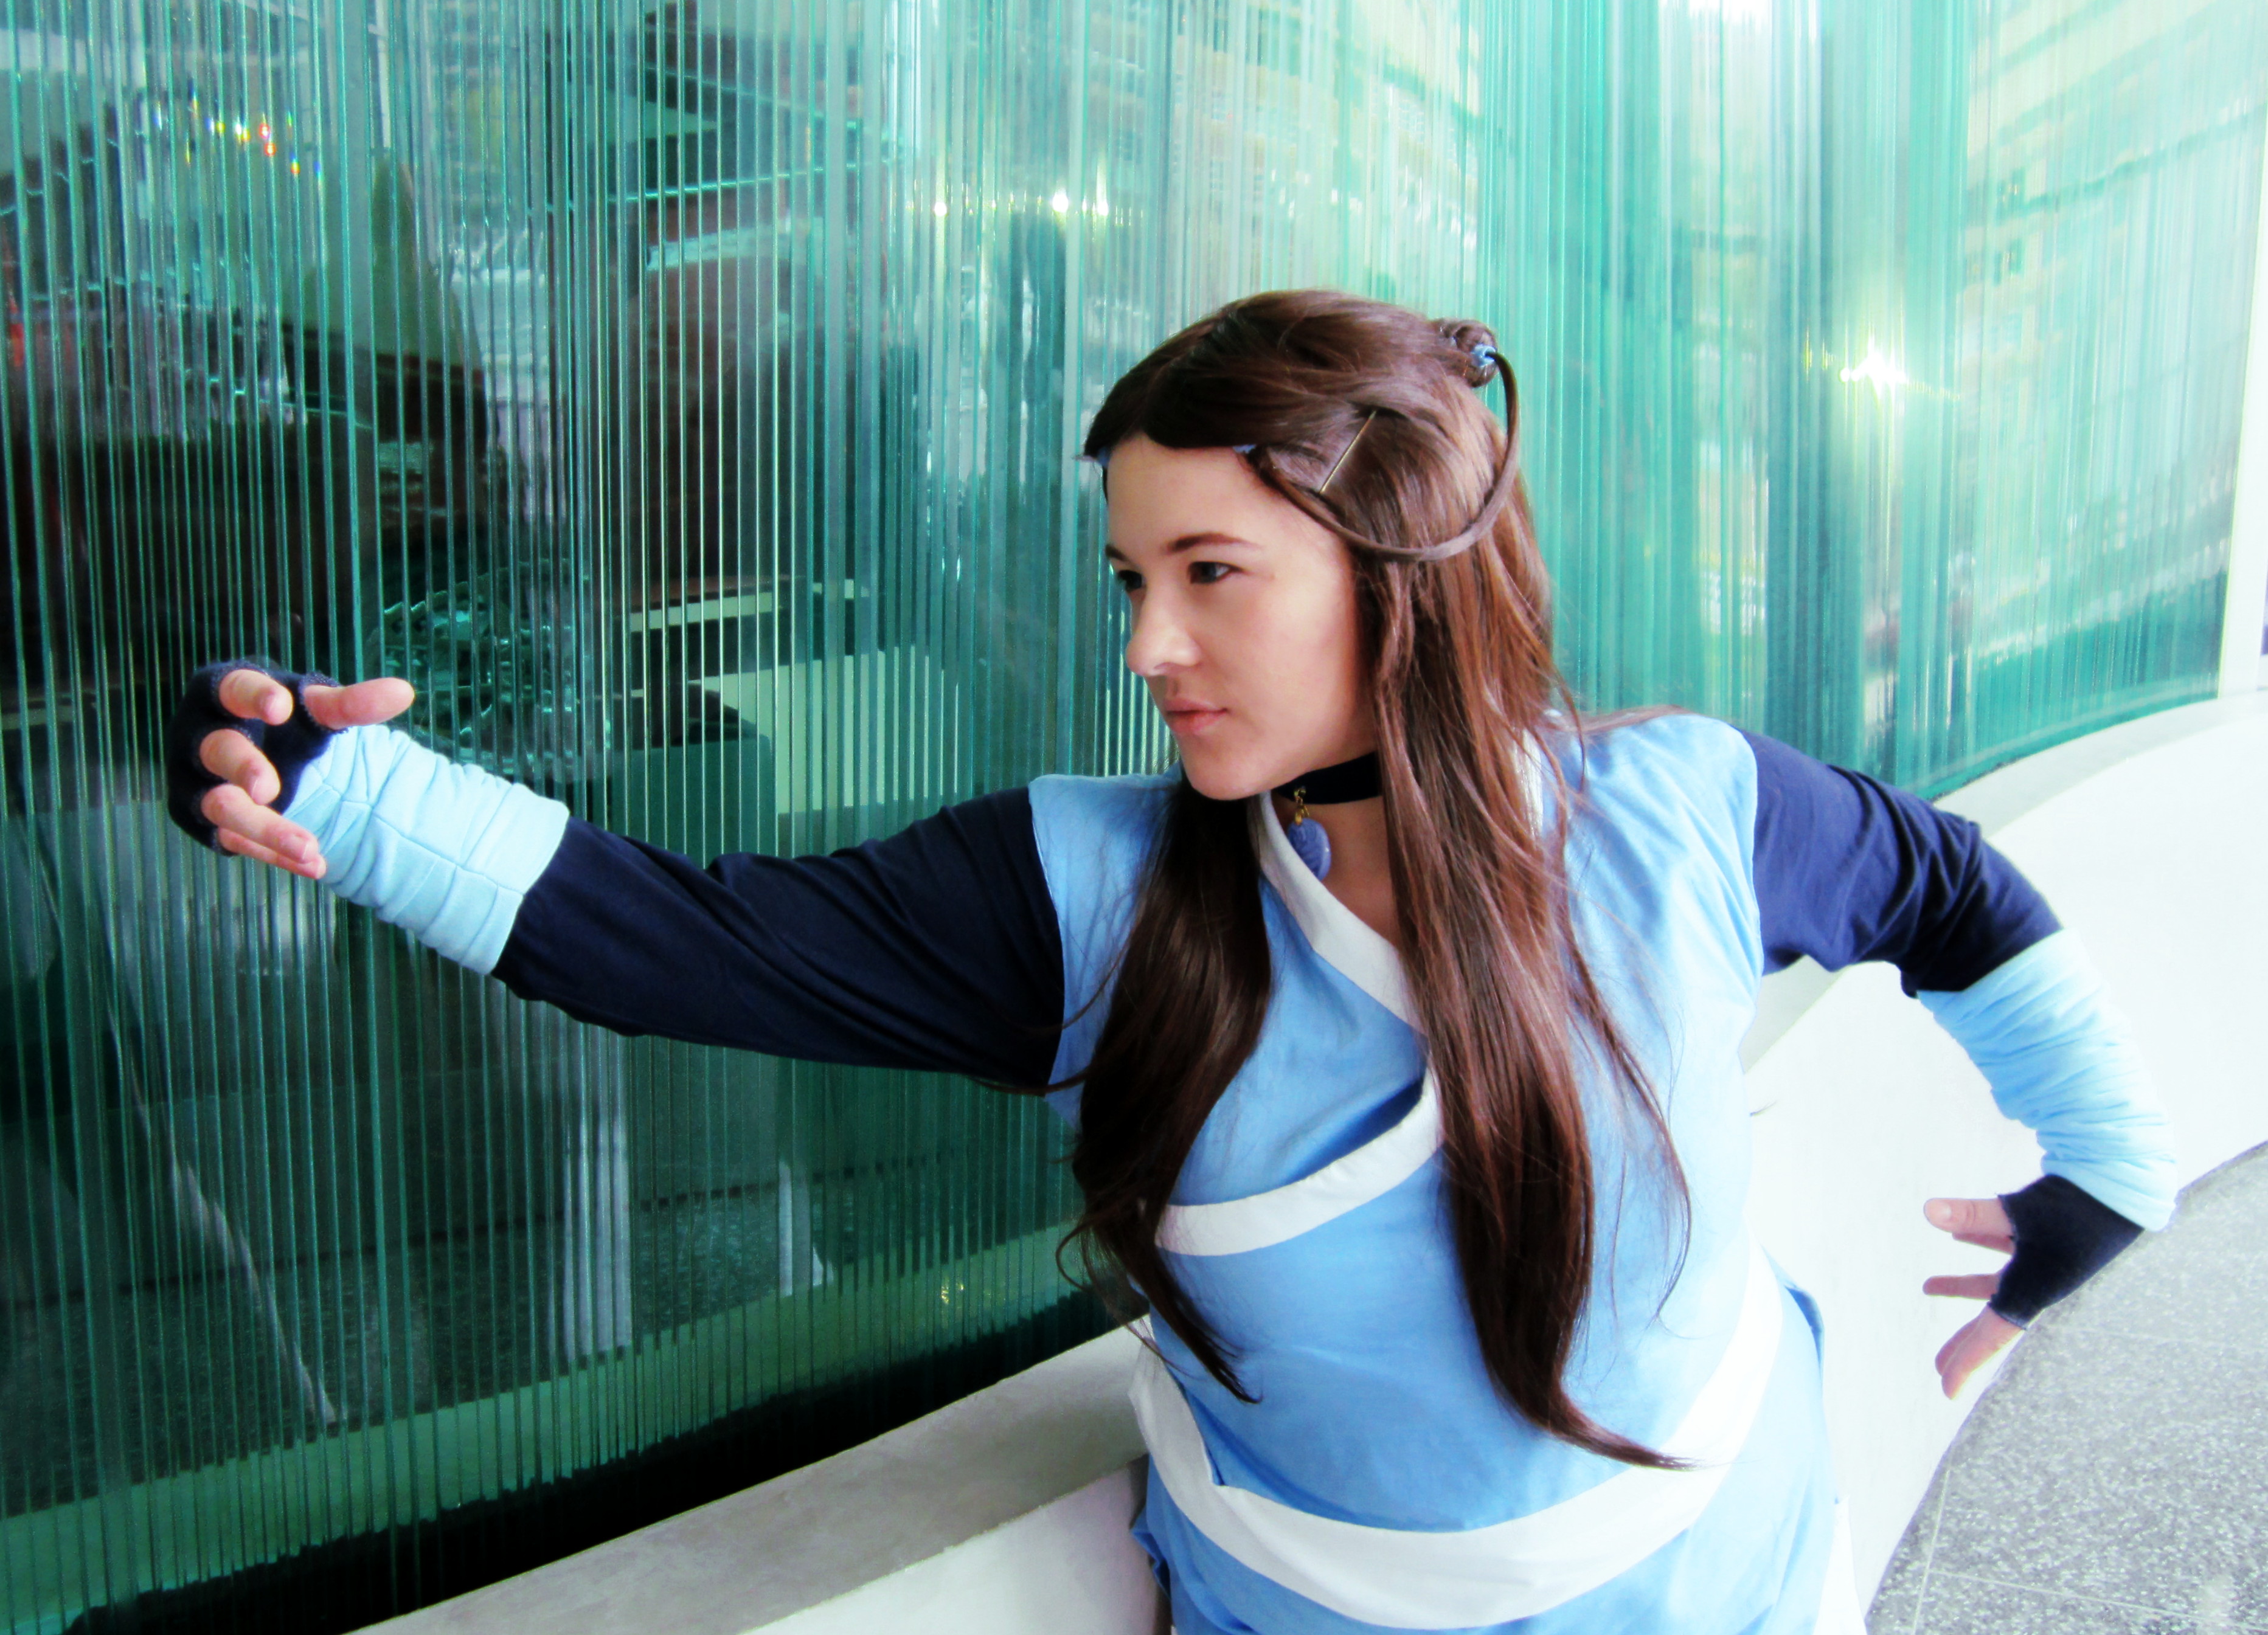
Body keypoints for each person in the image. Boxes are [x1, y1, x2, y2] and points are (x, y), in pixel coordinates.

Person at [164, 290, 2173, 1633]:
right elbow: (682, 940)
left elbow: (1949, 888)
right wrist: (337, 787)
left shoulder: (1678, 813)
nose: (1147, 646)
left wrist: (2104, 1168)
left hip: (1737, 1568)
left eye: (1212, 573)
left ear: (1402, 574)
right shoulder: (1092, 896)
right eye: (1135, 577)